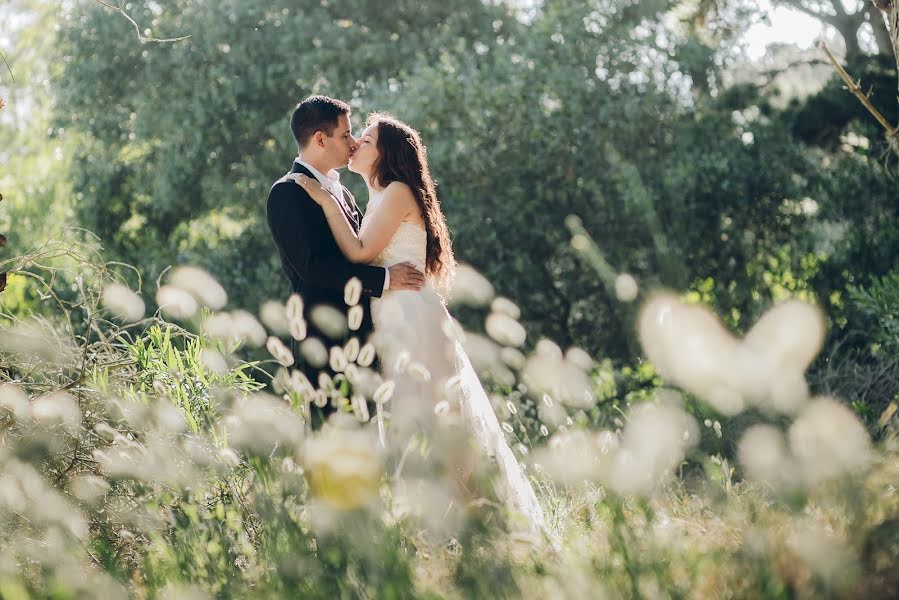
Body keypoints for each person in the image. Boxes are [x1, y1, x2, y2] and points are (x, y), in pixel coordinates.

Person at [288, 112, 547, 532]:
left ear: (385, 154)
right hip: (391, 316)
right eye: (353, 136)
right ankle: (437, 524)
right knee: (408, 419)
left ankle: (468, 523)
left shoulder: (396, 192)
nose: (355, 144)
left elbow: (356, 252)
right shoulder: (375, 196)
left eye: (365, 140)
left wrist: (320, 199)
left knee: (426, 418)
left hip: (409, 317)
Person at [266, 96, 425, 426]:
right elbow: (311, 269)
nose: (353, 143)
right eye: (346, 135)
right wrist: (384, 280)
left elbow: (363, 249)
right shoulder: (286, 193)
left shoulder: (345, 194)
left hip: (365, 339)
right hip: (323, 344)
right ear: (321, 139)